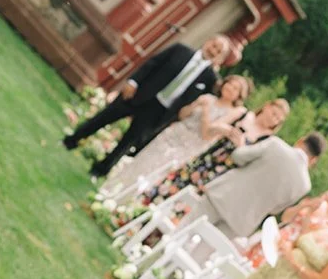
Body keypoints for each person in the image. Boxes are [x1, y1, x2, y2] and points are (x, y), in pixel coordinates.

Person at [63, 35, 233, 178]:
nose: (213, 50)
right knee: (104, 117)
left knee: (127, 142)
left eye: (219, 51)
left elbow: (199, 103)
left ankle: (100, 170)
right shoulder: (180, 50)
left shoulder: (210, 79)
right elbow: (152, 63)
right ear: (208, 41)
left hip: (160, 111)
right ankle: (72, 140)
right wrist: (133, 82)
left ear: (220, 58)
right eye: (214, 45)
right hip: (140, 93)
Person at [101, 75, 252, 200]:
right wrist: (195, 105)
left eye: (235, 88)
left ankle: (124, 200)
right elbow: (182, 115)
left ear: (239, 95)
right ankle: (109, 190)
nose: (230, 88)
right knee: (142, 160)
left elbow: (206, 134)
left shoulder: (234, 112)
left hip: (189, 146)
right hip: (175, 134)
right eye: (229, 84)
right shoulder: (207, 98)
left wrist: (205, 110)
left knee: (155, 173)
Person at [148, 98, 290, 209]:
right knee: (172, 184)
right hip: (206, 160)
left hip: (220, 175)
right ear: (267, 107)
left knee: (186, 203)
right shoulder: (243, 114)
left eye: (278, 119)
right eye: (274, 113)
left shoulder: (268, 140)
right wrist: (227, 130)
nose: (274, 119)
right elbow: (210, 130)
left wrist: (241, 146)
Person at [189, 129, 325, 242]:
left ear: (301, 140)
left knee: (185, 230)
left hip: (223, 196)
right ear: (314, 160)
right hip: (242, 222)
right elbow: (275, 210)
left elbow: (238, 157)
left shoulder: (276, 145)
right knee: (201, 253)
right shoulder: (304, 185)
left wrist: (241, 145)